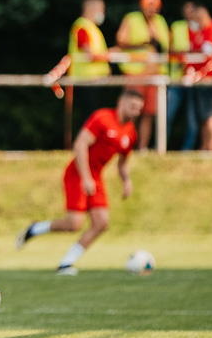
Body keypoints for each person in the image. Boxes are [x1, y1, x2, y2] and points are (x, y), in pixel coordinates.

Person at [16, 89, 144, 275]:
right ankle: (35, 229)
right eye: (133, 107)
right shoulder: (102, 118)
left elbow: (122, 163)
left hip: (95, 176)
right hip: (77, 172)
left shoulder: (131, 132)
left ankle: (66, 264)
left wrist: (127, 181)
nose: (136, 112)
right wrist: (85, 177)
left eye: (139, 109)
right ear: (121, 103)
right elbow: (80, 144)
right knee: (74, 223)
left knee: (101, 223)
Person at [115, 0, 169, 150]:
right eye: (148, 7)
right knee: (130, 111)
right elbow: (121, 41)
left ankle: (143, 148)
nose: (152, 10)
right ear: (142, 6)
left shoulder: (160, 21)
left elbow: (166, 45)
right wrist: (143, 44)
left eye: (155, 7)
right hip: (135, 73)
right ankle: (124, 144)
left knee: (149, 112)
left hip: (155, 74)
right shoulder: (131, 19)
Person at [182, 3, 212, 151]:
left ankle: (211, 148)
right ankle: (204, 146)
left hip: (209, 79)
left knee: (209, 115)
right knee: (203, 117)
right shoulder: (200, 32)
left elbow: (207, 53)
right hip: (199, 80)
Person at [68, 0, 112, 124]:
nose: (103, 12)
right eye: (101, 9)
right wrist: (110, 55)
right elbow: (89, 54)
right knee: (89, 114)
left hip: (93, 78)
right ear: (92, 8)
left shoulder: (91, 28)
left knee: (91, 113)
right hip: (86, 78)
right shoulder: (83, 27)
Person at [165, 2, 199, 151]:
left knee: (192, 118)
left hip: (194, 79)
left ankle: (187, 150)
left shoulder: (201, 28)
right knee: (167, 115)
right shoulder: (176, 26)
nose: (189, 13)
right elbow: (168, 47)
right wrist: (182, 53)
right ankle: (161, 147)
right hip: (176, 78)